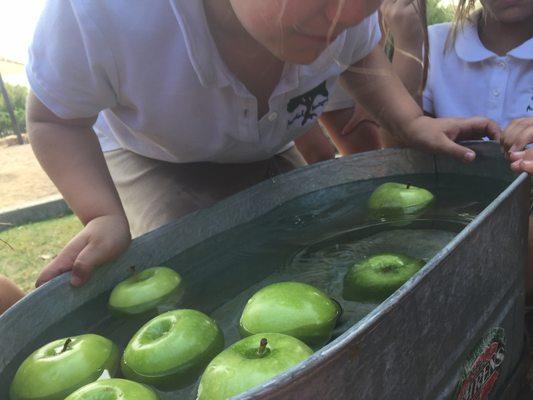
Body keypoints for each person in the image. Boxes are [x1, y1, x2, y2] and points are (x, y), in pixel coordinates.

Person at [27, 0, 499, 288]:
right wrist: (102, 214)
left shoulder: (344, 13)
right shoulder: (100, 12)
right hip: (154, 153)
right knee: (201, 279)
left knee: (311, 262)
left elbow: (359, 52)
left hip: (266, 142)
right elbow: (55, 118)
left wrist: (410, 120)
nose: (348, 13)